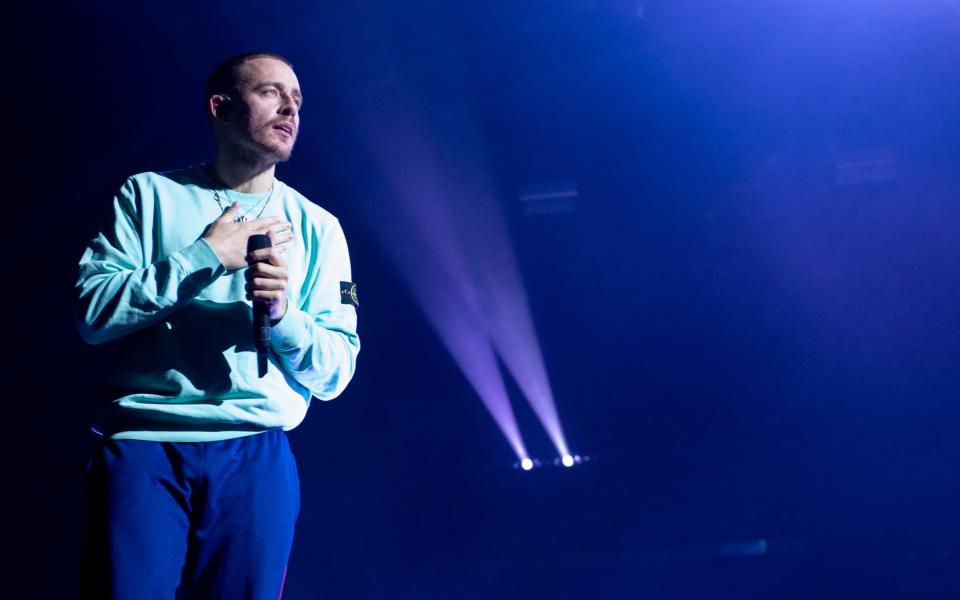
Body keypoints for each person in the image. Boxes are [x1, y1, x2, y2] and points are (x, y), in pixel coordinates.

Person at [75, 51, 360, 599]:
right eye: (272, 92)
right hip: (145, 446)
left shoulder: (321, 228)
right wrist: (205, 255)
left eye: (297, 100)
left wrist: (283, 317)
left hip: (256, 452)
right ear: (221, 108)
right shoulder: (148, 195)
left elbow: (337, 370)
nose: (291, 108)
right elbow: (92, 313)